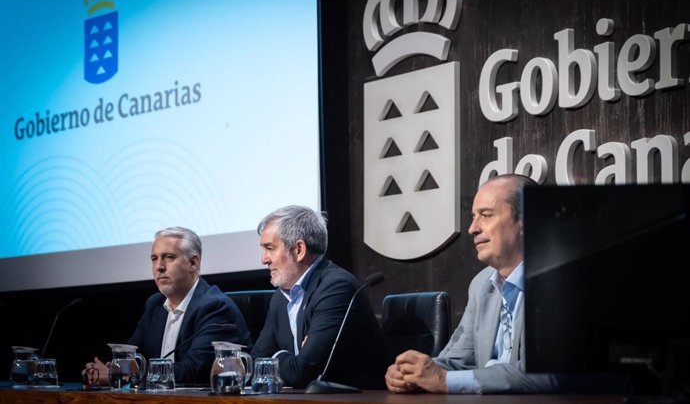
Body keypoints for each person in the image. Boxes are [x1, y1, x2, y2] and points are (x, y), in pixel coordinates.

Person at [385, 174, 561, 394]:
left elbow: (547, 373)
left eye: (486, 215)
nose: (472, 228)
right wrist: (413, 374)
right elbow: (456, 359)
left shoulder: (560, 280)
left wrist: (444, 380)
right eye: (473, 217)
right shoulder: (481, 285)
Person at [82, 227, 252, 386]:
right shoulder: (155, 305)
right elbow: (131, 357)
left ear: (193, 263)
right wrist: (110, 370)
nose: (159, 267)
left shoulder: (215, 307)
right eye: (154, 259)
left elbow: (193, 370)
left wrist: (118, 375)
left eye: (169, 257)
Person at [251, 205, 386, 389]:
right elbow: (254, 362)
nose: (264, 259)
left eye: (270, 248)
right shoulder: (281, 297)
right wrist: (289, 359)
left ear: (299, 250)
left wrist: (276, 356)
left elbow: (304, 372)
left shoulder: (336, 288)